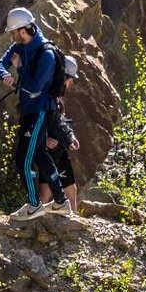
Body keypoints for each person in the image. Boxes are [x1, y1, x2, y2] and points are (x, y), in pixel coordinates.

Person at [0, 7, 60, 221]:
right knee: (40, 154)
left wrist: (20, 69)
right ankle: (60, 201)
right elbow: (0, 65)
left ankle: (34, 205)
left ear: (23, 30)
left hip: (40, 111)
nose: (11, 37)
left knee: (23, 159)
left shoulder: (47, 54)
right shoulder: (19, 45)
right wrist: (6, 75)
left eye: (13, 32)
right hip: (29, 110)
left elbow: (35, 89)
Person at [36, 55, 82, 215]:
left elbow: (60, 121)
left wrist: (70, 136)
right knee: (45, 192)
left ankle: (74, 219)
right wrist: (44, 139)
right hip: (47, 151)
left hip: (59, 150)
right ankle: (36, 221)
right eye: (70, 79)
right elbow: (32, 120)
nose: (71, 83)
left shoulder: (55, 96)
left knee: (71, 189)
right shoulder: (44, 93)